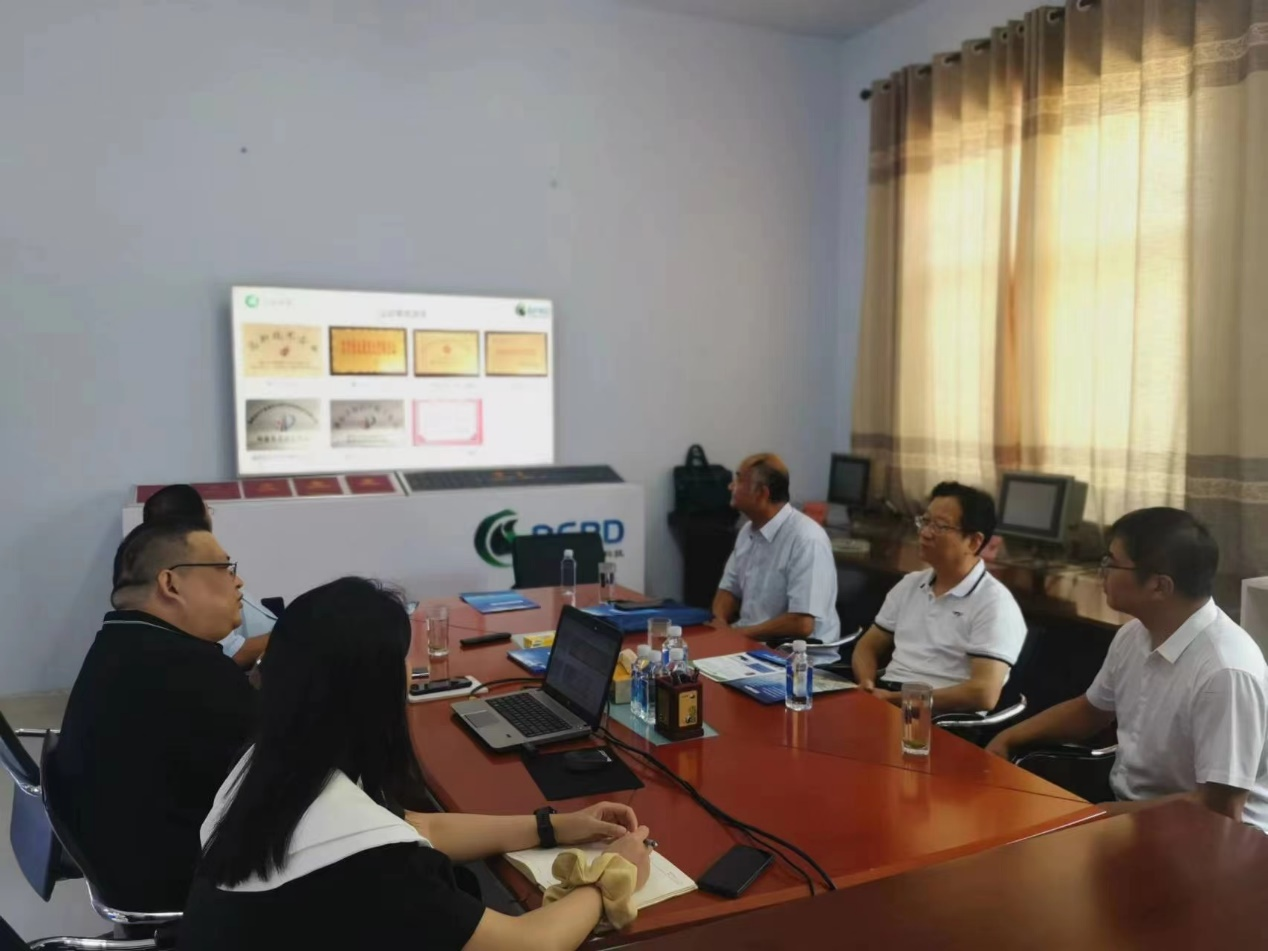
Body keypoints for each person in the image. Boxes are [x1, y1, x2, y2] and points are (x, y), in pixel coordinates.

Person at [181, 577, 653, 950]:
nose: (411, 670)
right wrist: (612, 877)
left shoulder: (271, 764)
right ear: (373, 690)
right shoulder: (375, 866)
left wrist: (553, 826)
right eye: (402, 659)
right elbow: (529, 943)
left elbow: (418, 827)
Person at [987, 508, 1268, 830]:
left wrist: (1109, 815)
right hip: (1133, 811)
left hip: (1218, 839)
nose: (1101, 572)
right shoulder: (1134, 634)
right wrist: (1008, 737)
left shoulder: (1225, 672)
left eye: (1111, 563)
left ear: (1159, 586)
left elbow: (1222, 807)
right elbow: (1091, 710)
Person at [55, 521, 255, 910]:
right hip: (186, 885)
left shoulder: (121, 642)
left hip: (127, 864)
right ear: (171, 584)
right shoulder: (188, 670)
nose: (239, 581)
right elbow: (284, 767)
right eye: (223, 568)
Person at [851, 482, 1026, 713]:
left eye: (940, 526)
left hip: (941, 714)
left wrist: (898, 700)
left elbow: (983, 693)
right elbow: (867, 646)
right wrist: (866, 683)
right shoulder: (911, 584)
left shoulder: (995, 604)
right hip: (890, 698)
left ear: (973, 541)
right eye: (925, 522)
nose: (924, 533)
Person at [710, 453, 839, 641]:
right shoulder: (748, 531)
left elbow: (801, 624)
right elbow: (729, 589)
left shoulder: (807, 539)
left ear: (761, 493)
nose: (731, 486)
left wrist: (737, 635)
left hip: (795, 651)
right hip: (750, 641)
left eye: (739, 480)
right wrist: (720, 624)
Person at [141, 484, 273, 668]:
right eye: (208, 510)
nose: (238, 582)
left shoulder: (159, 569)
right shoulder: (192, 578)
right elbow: (231, 653)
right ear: (199, 518)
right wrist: (292, 632)